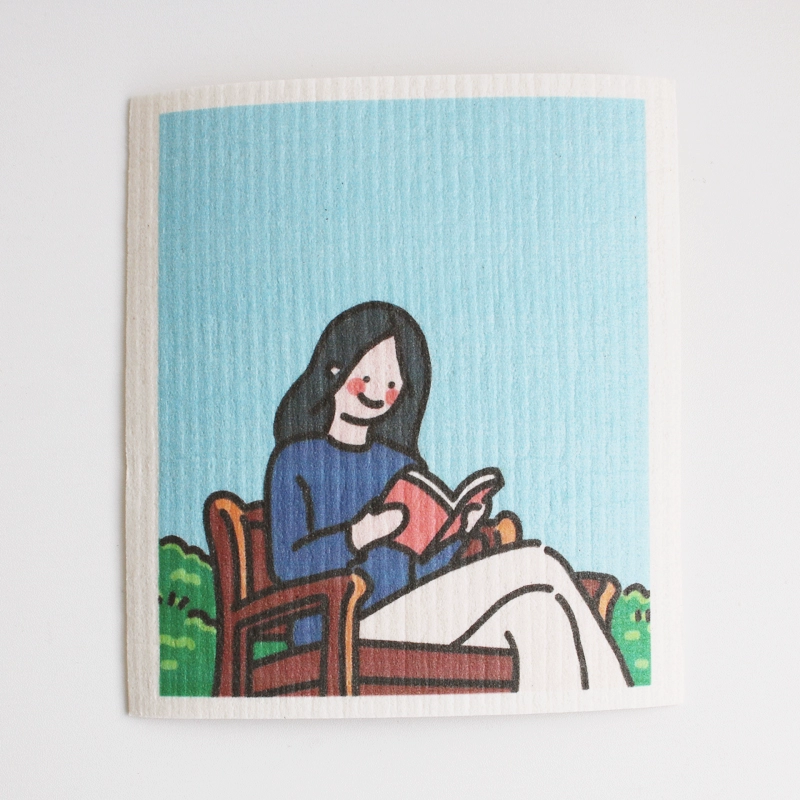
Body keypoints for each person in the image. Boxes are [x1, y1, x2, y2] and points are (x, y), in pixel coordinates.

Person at [264, 302, 631, 689]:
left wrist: (456, 532)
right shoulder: (295, 459)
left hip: (412, 615)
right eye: (367, 377)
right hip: (340, 623)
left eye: (391, 385)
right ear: (335, 368)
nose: (377, 393)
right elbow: (287, 566)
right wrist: (358, 535)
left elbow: (420, 569)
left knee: (537, 610)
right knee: (535, 562)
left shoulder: (399, 465)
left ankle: (595, 716)